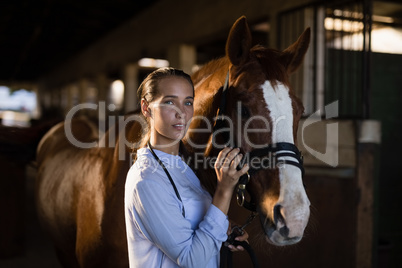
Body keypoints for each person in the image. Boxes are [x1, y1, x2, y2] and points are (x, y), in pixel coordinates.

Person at [124, 67, 249, 268]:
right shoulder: (146, 180)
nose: (181, 112)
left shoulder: (183, 164)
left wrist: (224, 229)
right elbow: (191, 260)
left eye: (188, 102)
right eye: (170, 102)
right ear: (146, 108)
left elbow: (188, 222)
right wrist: (224, 190)